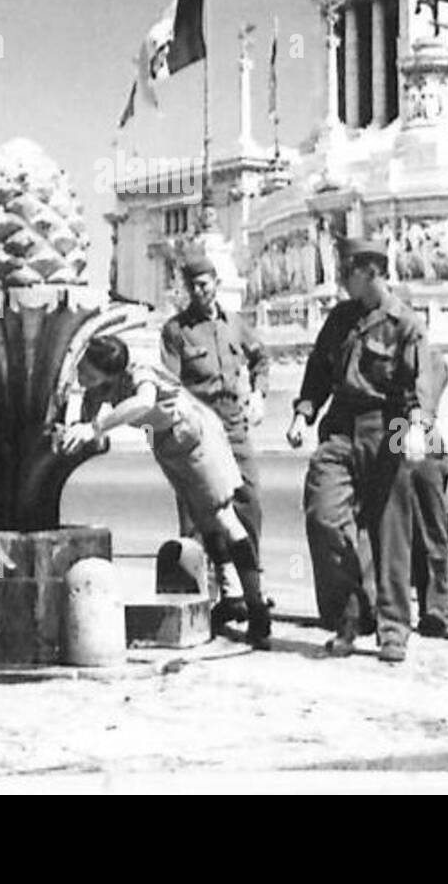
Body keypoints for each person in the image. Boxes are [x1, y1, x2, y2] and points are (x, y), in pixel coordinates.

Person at [55, 335, 271, 649]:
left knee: (223, 516)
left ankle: (257, 608)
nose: (82, 379)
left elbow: (142, 402)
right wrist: (72, 426)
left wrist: (97, 427)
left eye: (88, 374)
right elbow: (86, 421)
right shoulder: (100, 388)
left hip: (196, 438)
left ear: (111, 373)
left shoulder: (139, 372)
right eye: (82, 372)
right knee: (201, 517)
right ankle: (231, 595)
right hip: (169, 445)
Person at [287, 240, 432, 663]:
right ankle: (352, 612)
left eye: (346, 272)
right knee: (323, 516)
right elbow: (318, 369)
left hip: (390, 426)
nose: (339, 280)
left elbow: (422, 380)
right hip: (341, 427)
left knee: (391, 533)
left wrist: (418, 427)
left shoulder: (404, 322)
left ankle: (392, 629)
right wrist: (304, 413)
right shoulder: (340, 318)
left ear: (369, 272)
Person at [160, 254, 269, 626]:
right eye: (192, 285)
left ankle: (253, 582)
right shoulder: (176, 330)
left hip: (234, 422)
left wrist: (259, 394)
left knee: (248, 500)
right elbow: (172, 383)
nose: (199, 291)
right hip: (201, 428)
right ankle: (215, 592)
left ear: (216, 284)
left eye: (204, 284)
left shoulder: (235, 324)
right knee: (201, 510)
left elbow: (261, 359)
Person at [410, 343, 448, 637]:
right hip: (388, 435)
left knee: (430, 530)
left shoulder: (430, 358)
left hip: (419, 438)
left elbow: (427, 401)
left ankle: (435, 608)